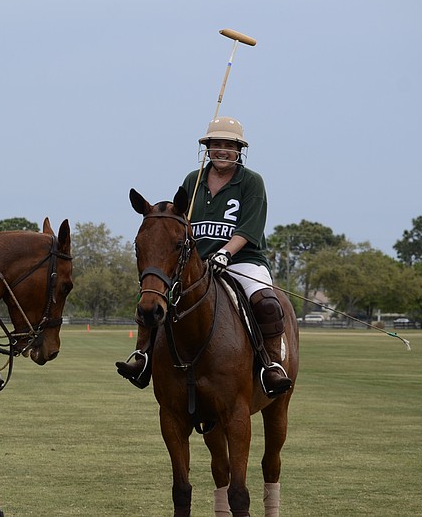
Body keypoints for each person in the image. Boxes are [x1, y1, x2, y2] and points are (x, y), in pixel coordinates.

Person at [116, 116, 292, 398]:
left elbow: (249, 228)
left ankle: (270, 366)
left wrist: (224, 253)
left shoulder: (252, 183)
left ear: (239, 150)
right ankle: (143, 358)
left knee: (267, 303)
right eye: (216, 144)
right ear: (207, 148)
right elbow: (179, 224)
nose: (222, 150)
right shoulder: (193, 180)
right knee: (154, 295)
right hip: (198, 264)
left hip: (243, 261)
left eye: (228, 145)